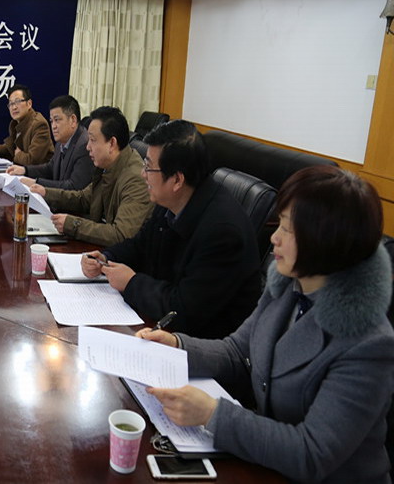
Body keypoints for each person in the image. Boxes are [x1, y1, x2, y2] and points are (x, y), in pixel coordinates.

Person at [137, 166, 394, 484]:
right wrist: (176, 345)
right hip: (268, 464)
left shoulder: (368, 343)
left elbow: (312, 453)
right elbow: (237, 351)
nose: (274, 238)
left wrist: (213, 414)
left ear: (325, 242)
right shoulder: (288, 285)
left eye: (287, 229)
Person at [81, 120, 260, 337]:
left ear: (176, 180)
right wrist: (106, 258)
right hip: (161, 326)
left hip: (200, 343)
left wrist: (131, 283)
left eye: (149, 167)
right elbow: (140, 245)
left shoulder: (222, 232)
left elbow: (184, 310)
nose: (143, 174)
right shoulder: (173, 200)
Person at [30, 106, 152, 247]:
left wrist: (72, 224)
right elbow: (84, 198)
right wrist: (45, 192)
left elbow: (120, 234)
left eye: (93, 140)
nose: (88, 147)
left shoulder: (136, 179)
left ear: (112, 143)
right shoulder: (107, 166)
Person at [5, 94, 95, 190]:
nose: (53, 126)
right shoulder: (61, 142)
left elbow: (73, 187)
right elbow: (51, 168)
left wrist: (36, 183)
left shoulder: (84, 146)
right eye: (51, 121)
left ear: (73, 120)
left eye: (57, 120)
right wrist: (25, 170)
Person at [0, 84, 53, 166]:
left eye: (18, 102)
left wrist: (18, 154)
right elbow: (11, 147)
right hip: (23, 170)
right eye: (11, 103)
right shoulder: (16, 123)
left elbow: (32, 161)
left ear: (29, 103)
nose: (14, 107)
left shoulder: (39, 125)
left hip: (38, 173)